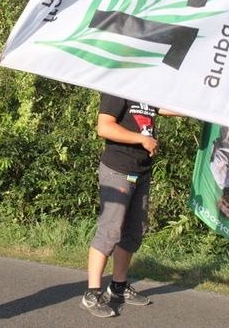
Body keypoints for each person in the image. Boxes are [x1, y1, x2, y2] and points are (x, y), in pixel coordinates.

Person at [81, 92, 180, 318]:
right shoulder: (117, 86)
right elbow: (104, 127)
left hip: (141, 171)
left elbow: (163, 106)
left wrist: (204, 111)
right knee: (110, 230)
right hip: (118, 169)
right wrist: (142, 139)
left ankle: (118, 287)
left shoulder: (143, 87)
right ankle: (92, 293)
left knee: (134, 232)